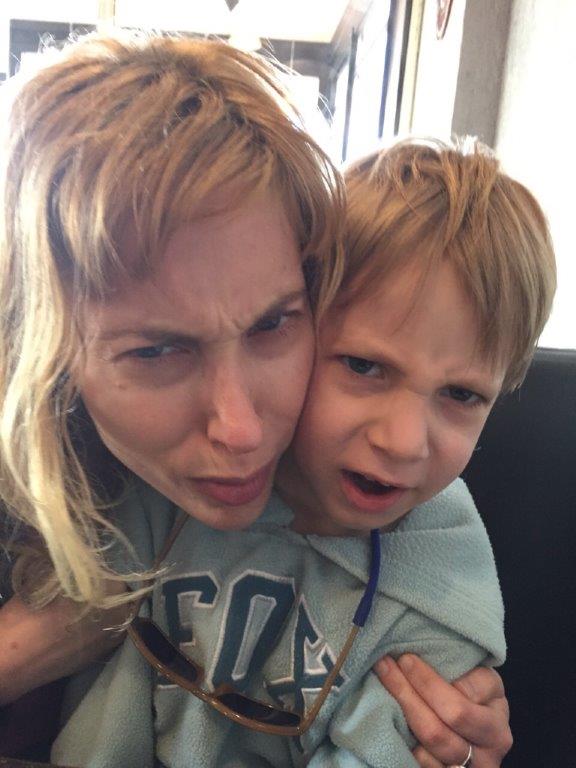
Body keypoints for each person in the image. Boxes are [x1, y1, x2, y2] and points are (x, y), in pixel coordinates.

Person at [0, 31, 511, 766]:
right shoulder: (93, 497)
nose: (241, 432)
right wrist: (25, 648)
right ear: (42, 353)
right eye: (155, 351)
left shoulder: (417, 569)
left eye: (274, 324)